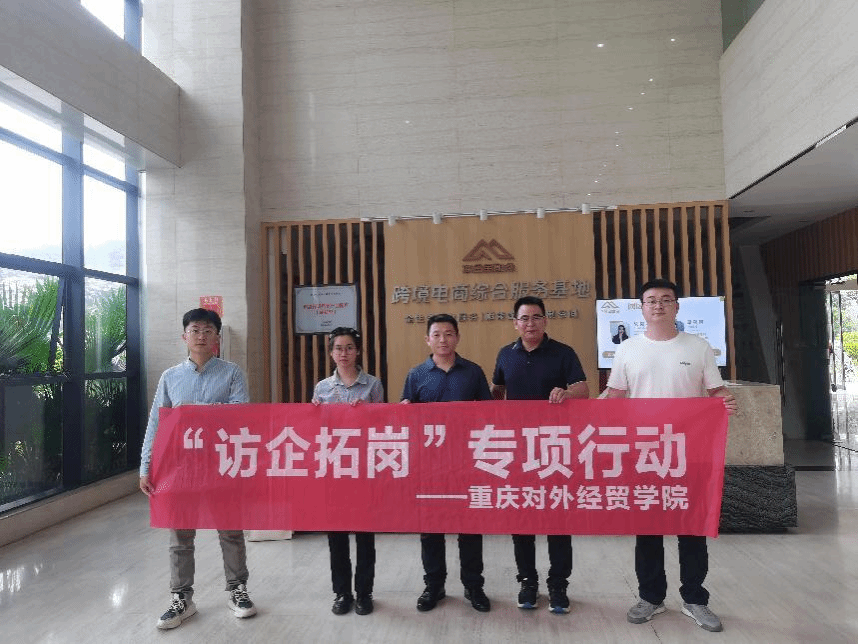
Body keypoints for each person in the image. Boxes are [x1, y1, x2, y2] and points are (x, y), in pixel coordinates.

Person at [604, 278, 738, 633]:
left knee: (691, 528)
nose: (658, 305)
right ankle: (651, 597)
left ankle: (695, 599)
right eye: (651, 300)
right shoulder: (628, 349)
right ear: (642, 308)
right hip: (644, 453)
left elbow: (716, 391)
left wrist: (725, 402)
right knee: (647, 529)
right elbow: (615, 397)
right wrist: (584, 414)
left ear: (677, 306)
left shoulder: (698, 346)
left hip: (689, 452)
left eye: (666, 299)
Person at [139, 308, 257, 630]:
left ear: (217, 337)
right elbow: (156, 424)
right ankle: (182, 598)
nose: (201, 336)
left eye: (207, 330)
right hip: (180, 467)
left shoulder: (232, 373)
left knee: (230, 530)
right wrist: (145, 466)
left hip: (222, 464)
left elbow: (241, 414)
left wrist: (194, 412)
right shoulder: (170, 377)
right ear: (184, 336)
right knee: (180, 535)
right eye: (195, 330)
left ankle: (237, 590)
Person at [491, 295, 588, 614]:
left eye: (536, 317)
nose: (530, 323)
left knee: (558, 518)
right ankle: (527, 582)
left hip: (554, 447)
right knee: (522, 518)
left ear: (545, 321)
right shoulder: (505, 354)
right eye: (524, 318)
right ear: (515, 323)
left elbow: (583, 390)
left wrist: (566, 392)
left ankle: (558, 585)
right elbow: (497, 391)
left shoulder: (563, 352)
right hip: (518, 449)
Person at [401, 313, 493, 613]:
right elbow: (407, 418)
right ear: (427, 339)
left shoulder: (473, 372)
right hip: (430, 464)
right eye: (437, 334)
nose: (443, 339)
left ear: (457, 337)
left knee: (470, 527)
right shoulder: (416, 374)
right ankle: (434, 586)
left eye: (449, 334)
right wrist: (404, 411)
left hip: (466, 461)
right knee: (431, 528)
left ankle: (473, 586)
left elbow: (488, 415)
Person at [312, 327, 384, 616]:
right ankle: (342, 592)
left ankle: (365, 593)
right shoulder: (322, 388)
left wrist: (369, 411)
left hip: (364, 469)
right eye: (338, 348)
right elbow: (316, 431)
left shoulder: (373, 385)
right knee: (337, 536)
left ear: (358, 351)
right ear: (331, 353)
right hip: (334, 470)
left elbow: (384, 426)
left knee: (365, 536)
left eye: (349, 347)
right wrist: (313, 412)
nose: (344, 353)